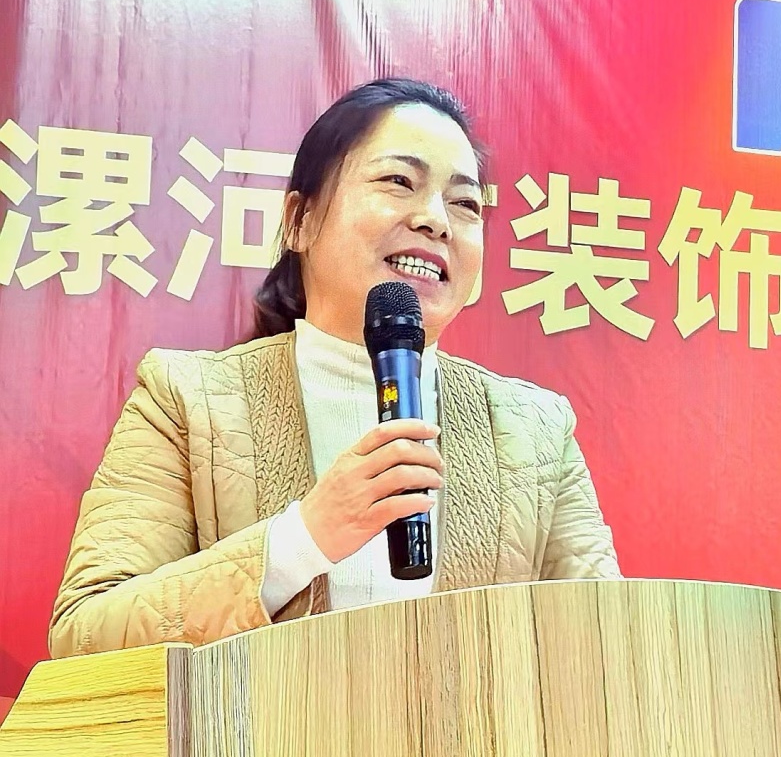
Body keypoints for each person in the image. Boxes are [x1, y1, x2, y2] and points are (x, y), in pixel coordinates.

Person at [49, 78, 620, 657]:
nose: (436, 220)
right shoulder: (186, 400)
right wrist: (303, 538)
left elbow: (608, 647)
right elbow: (84, 634)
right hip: (264, 723)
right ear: (300, 219)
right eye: (399, 182)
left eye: (465, 203)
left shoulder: (535, 429)